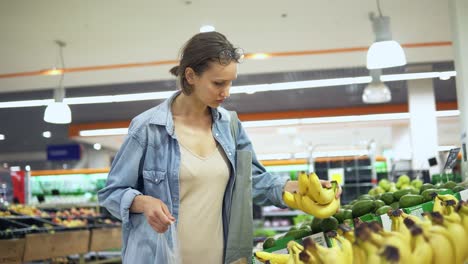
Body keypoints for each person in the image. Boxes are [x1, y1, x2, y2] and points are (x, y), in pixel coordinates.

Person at [98, 31, 341, 264]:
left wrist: (295, 187)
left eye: (230, 83)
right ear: (191, 76)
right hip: (159, 257)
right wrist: (143, 202)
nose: (226, 92)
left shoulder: (231, 127)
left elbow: (253, 180)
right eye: (218, 83)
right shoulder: (148, 128)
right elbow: (111, 193)